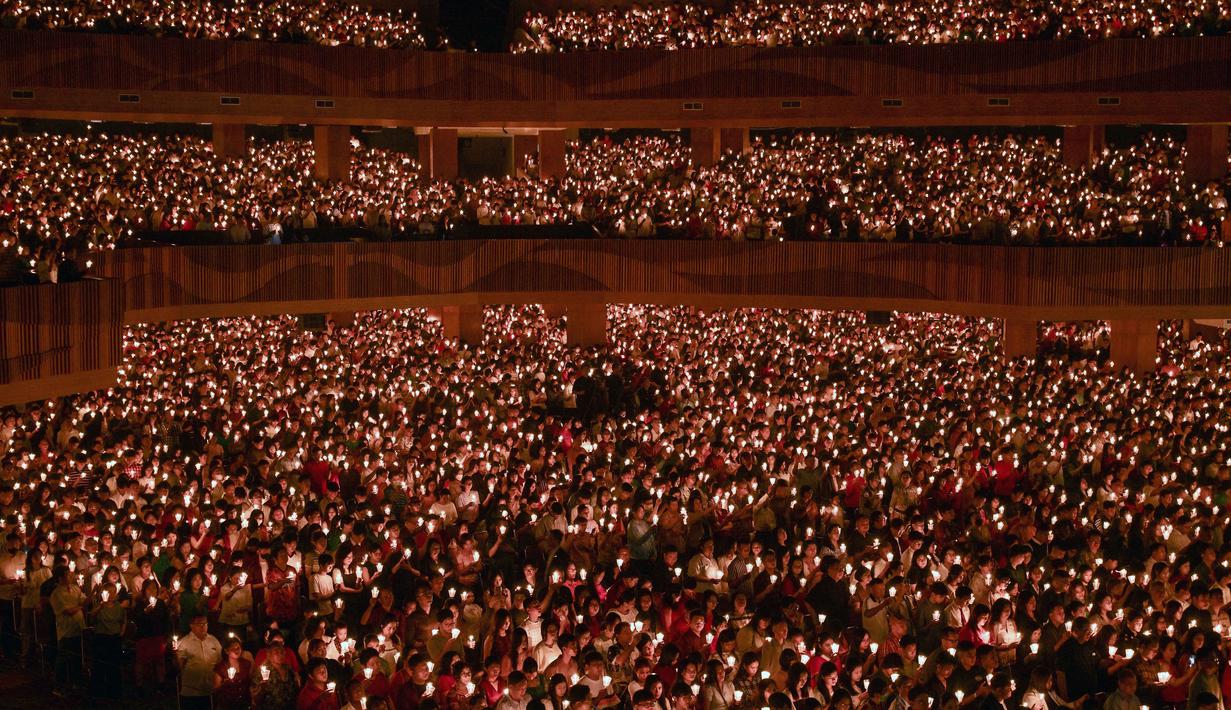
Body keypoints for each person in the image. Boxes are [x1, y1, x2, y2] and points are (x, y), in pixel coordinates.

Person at [177, 614, 223, 710]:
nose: (203, 626)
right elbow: (179, 666)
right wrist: (175, 655)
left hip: (211, 690)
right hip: (192, 692)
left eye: (205, 623)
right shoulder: (184, 642)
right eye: (199, 624)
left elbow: (220, 661)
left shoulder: (213, 640)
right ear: (191, 625)